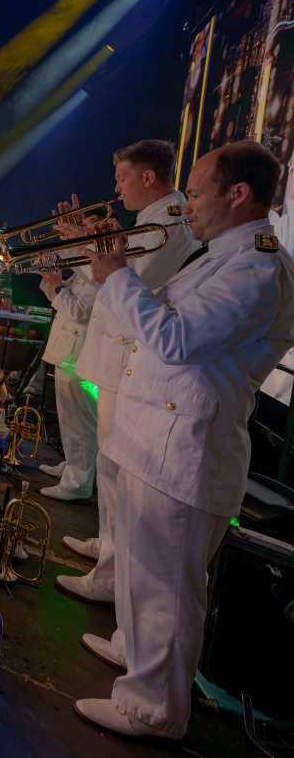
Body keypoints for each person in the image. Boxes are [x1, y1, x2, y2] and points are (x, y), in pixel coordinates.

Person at [73, 141, 294, 740]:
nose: (186, 204)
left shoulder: (256, 265)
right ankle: (137, 659)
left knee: (168, 587)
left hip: (187, 447)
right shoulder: (223, 253)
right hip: (160, 438)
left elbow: (176, 341)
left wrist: (117, 279)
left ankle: (155, 709)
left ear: (238, 194)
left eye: (196, 193)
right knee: (146, 573)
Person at [54, 139, 196, 605]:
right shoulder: (151, 220)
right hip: (114, 356)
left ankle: (109, 576)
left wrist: (95, 246)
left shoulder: (169, 222)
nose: (116, 188)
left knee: (115, 469)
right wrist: (94, 238)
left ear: (148, 177)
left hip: (126, 359)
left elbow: (122, 282)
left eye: (122, 178)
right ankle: (106, 546)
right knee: (108, 466)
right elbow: (113, 272)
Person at [37, 266, 99, 501]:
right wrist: (51, 281)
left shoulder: (98, 272)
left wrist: (58, 285)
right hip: (67, 350)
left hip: (80, 354)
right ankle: (73, 465)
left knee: (81, 422)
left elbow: (80, 311)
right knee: (68, 418)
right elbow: (57, 299)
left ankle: (78, 482)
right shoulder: (85, 270)